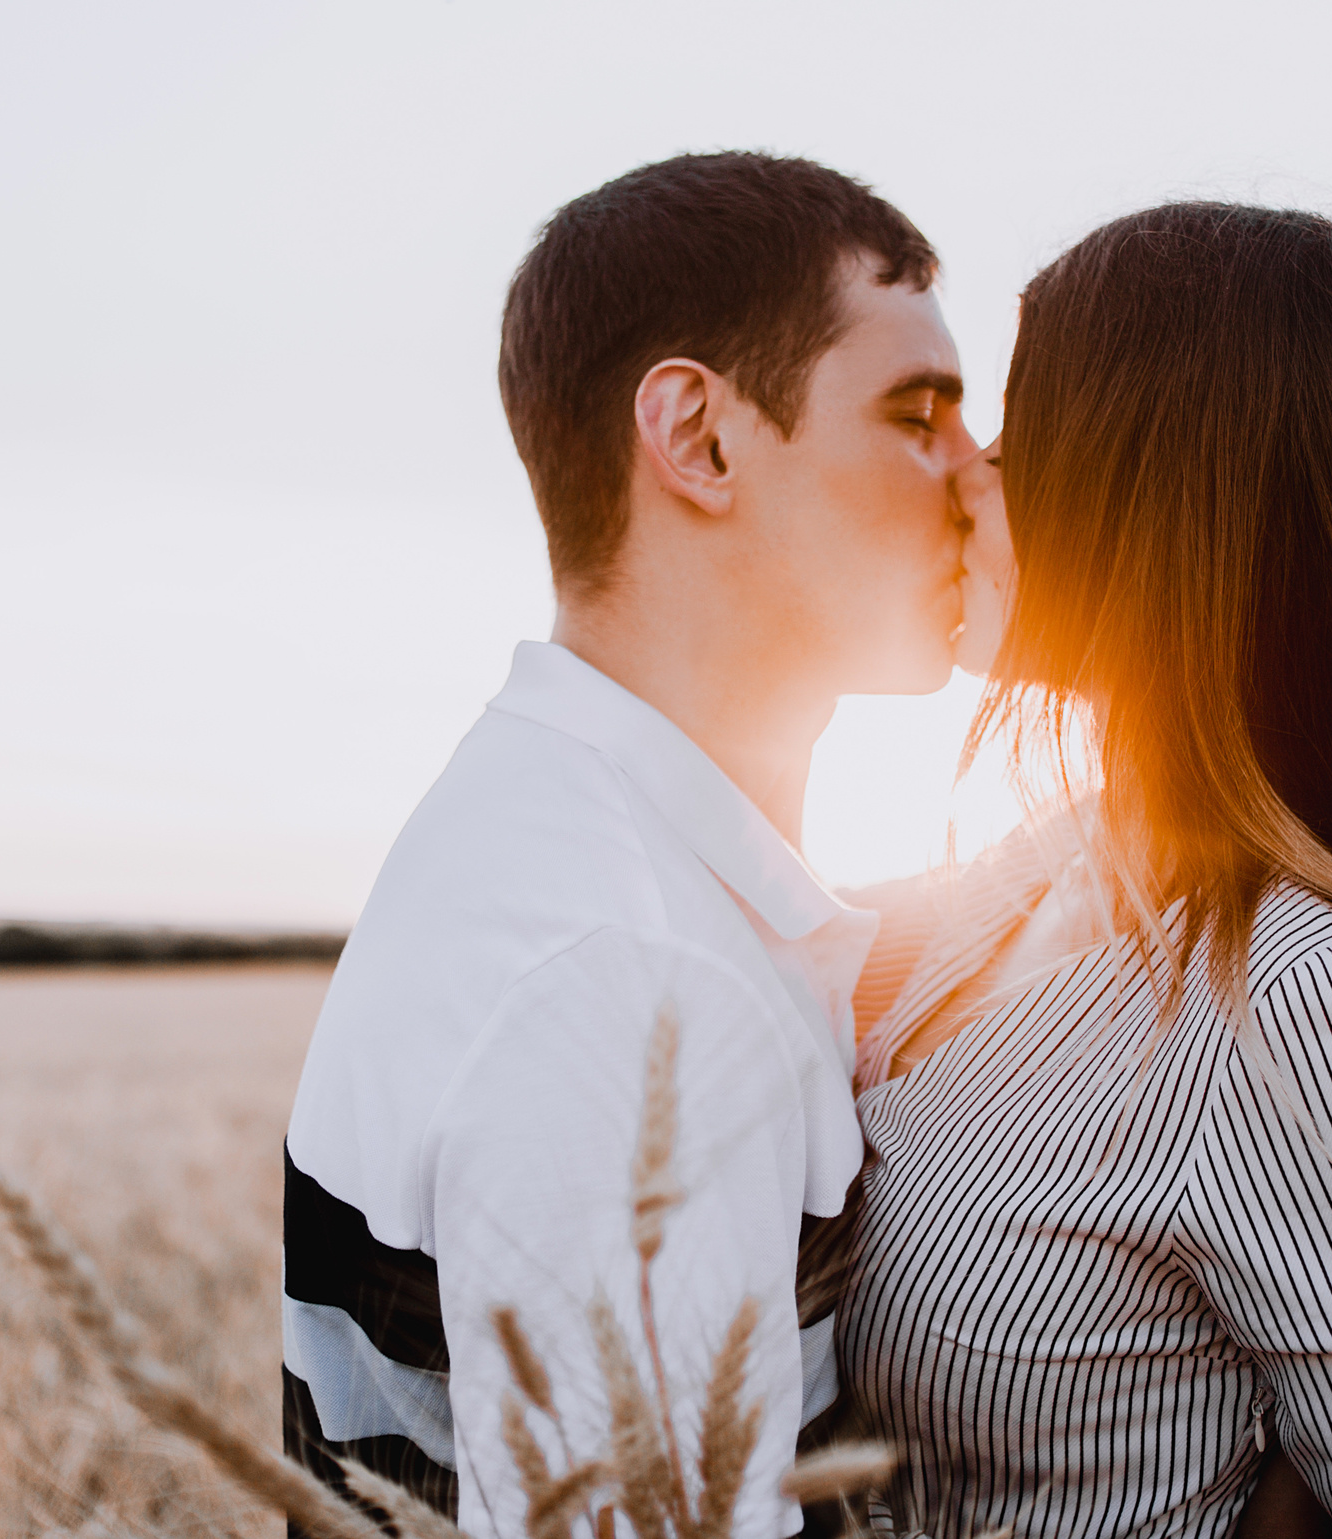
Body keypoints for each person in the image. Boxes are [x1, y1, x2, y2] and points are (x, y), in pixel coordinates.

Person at [840, 203, 1332, 1536]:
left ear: (1165, 502)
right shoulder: (1047, 872)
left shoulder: (1313, 1020)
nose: (967, 470)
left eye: (1030, 434)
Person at [281, 152, 981, 1538]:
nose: (979, 476)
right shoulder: (628, 985)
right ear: (699, 439)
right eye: (918, 416)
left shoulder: (584, 853)